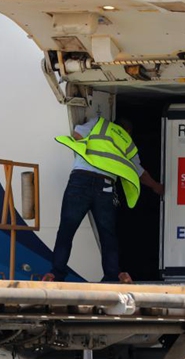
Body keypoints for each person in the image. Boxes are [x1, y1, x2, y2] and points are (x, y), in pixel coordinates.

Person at [44, 117, 164, 283]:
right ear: (128, 131)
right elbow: (139, 173)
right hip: (105, 185)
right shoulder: (127, 141)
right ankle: (111, 276)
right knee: (107, 235)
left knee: (66, 230)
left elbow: (77, 134)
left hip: (80, 180)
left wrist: (90, 152)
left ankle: (55, 274)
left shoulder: (99, 124)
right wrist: (156, 186)